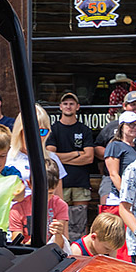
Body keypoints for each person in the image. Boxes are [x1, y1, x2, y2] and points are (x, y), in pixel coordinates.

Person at [48, 92, 95, 230]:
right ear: (60, 107)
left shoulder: (84, 130)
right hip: (60, 183)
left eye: (72, 104)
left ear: (77, 107)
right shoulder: (53, 129)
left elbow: (89, 158)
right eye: (65, 104)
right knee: (60, 221)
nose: (68, 106)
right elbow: (51, 156)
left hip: (80, 181)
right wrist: (76, 153)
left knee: (81, 223)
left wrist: (61, 159)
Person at [99, 111, 136, 213]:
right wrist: (127, 195)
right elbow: (114, 174)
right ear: (121, 127)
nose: (134, 127)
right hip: (119, 199)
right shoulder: (115, 145)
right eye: (130, 124)